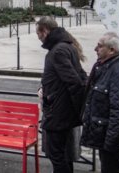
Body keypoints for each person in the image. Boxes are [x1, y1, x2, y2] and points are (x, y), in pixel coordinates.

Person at [36, 16, 87, 173]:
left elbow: (74, 82)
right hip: (63, 111)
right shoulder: (67, 47)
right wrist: (44, 87)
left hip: (58, 113)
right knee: (64, 155)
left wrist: (79, 108)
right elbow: (80, 77)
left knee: (56, 155)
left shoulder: (58, 51)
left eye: (38, 33)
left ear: (44, 31)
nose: (38, 37)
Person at [80, 32, 119, 173]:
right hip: (102, 131)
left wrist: (111, 140)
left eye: (100, 46)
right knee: (107, 165)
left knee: (110, 167)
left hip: (109, 134)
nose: (95, 48)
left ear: (112, 50)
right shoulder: (103, 66)